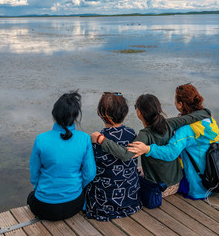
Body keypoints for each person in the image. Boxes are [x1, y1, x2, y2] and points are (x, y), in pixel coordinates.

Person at [91, 93, 205, 198]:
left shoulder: (145, 134)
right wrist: (207, 112)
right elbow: (194, 117)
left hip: (160, 188)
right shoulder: (170, 123)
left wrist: (102, 140)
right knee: (138, 170)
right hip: (177, 183)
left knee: (131, 177)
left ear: (139, 113)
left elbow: (126, 154)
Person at [127, 84, 219, 200]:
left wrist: (148, 149)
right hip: (210, 174)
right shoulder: (206, 120)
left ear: (180, 104)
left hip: (196, 184)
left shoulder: (186, 130)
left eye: (175, 99)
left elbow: (171, 153)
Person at [28, 91, 96, 221]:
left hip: (44, 207)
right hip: (73, 205)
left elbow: (34, 173)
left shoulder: (41, 139)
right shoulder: (85, 139)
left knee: (31, 197)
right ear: (75, 116)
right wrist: (76, 186)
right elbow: (90, 173)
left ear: (54, 114)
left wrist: (39, 188)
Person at [85, 92, 141, 221]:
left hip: (103, 204)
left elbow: (89, 172)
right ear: (125, 113)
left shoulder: (95, 139)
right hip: (131, 200)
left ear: (100, 113)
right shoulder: (131, 133)